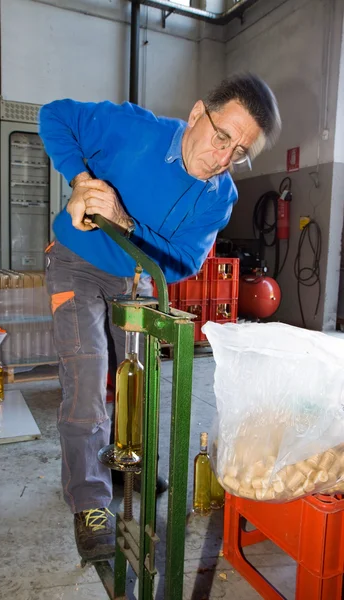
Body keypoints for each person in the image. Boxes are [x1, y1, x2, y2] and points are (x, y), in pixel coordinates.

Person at [39, 73, 281, 563]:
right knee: (87, 377)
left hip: (134, 277)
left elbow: (185, 262)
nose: (222, 159)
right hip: (76, 262)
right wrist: (83, 181)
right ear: (196, 115)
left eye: (239, 152)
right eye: (220, 137)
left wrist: (128, 225)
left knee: (139, 382)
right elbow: (55, 116)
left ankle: (126, 462)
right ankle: (90, 503)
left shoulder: (220, 198)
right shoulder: (132, 128)